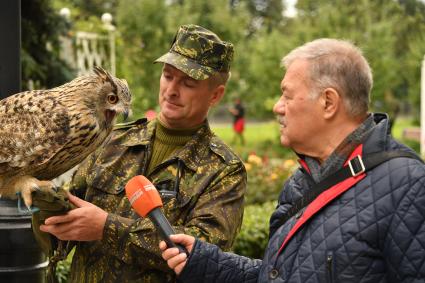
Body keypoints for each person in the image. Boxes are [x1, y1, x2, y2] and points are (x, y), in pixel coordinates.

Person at [160, 38, 425, 282]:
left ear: (328, 102)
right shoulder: (303, 181)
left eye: (287, 95)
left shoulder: (408, 186)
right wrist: (207, 262)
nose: (277, 106)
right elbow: (280, 275)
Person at [37, 24, 247, 283]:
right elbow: (64, 224)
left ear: (215, 95)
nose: (171, 90)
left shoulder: (224, 170)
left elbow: (200, 255)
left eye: (188, 83)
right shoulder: (111, 141)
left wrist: (106, 227)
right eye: (168, 76)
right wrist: (43, 204)